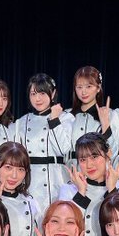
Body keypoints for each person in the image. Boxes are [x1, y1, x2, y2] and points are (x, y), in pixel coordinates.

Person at [58, 132, 119, 236]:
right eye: (83, 159)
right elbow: (65, 227)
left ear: (108, 154)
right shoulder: (68, 190)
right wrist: (81, 192)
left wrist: (112, 191)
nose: (89, 165)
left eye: (94, 156)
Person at [15, 73, 73, 206]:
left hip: (56, 179)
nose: (37, 99)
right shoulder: (21, 122)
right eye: (33, 94)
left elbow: (63, 149)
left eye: (42, 93)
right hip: (31, 180)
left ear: (53, 94)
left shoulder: (65, 118)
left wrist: (54, 120)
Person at [67, 66, 119, 164]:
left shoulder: (111, 115)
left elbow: (113, 153)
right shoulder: (67, 116)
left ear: (98, 88)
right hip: (71, 171)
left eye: (89, 86)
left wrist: (105, 124)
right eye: (79, 87)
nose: (83, 92)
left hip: (97, 170)